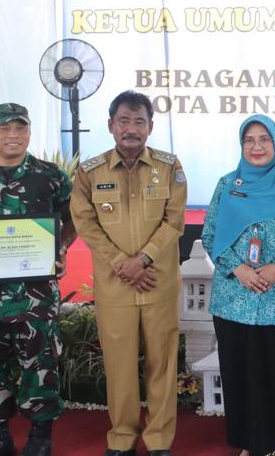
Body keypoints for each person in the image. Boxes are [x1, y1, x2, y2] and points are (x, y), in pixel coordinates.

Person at [71, 91, 187, 456]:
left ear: (150, 127)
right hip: (115, 287)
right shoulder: (90, 171)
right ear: (111, 125)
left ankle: (158, 441)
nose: (131, 129)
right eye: (124, 121)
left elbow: (175, 222)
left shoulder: (169, 167)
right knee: (119, 366)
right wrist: (122, 262)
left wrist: (144, 260)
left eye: (139, 122)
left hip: (158, 283)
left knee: (162, 364)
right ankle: (121, 437)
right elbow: (85, 224)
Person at [201, 115, 275, 456]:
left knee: (274, 374)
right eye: (249, 140)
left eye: (264, 139)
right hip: (234, 300)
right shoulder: (227, 185)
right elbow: (210, 235)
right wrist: (239, 270)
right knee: (239, 374)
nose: (256, 146)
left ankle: (270, 443)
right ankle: (247, 441)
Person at [0, 103, 74, 456]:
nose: (12, 134)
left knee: (40, 364)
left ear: (29, 131)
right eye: (4, 128)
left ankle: (41, 436)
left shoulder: (51, 175)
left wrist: (62, 248)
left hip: (36, 293)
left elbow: (74, 216)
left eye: (19, 127)